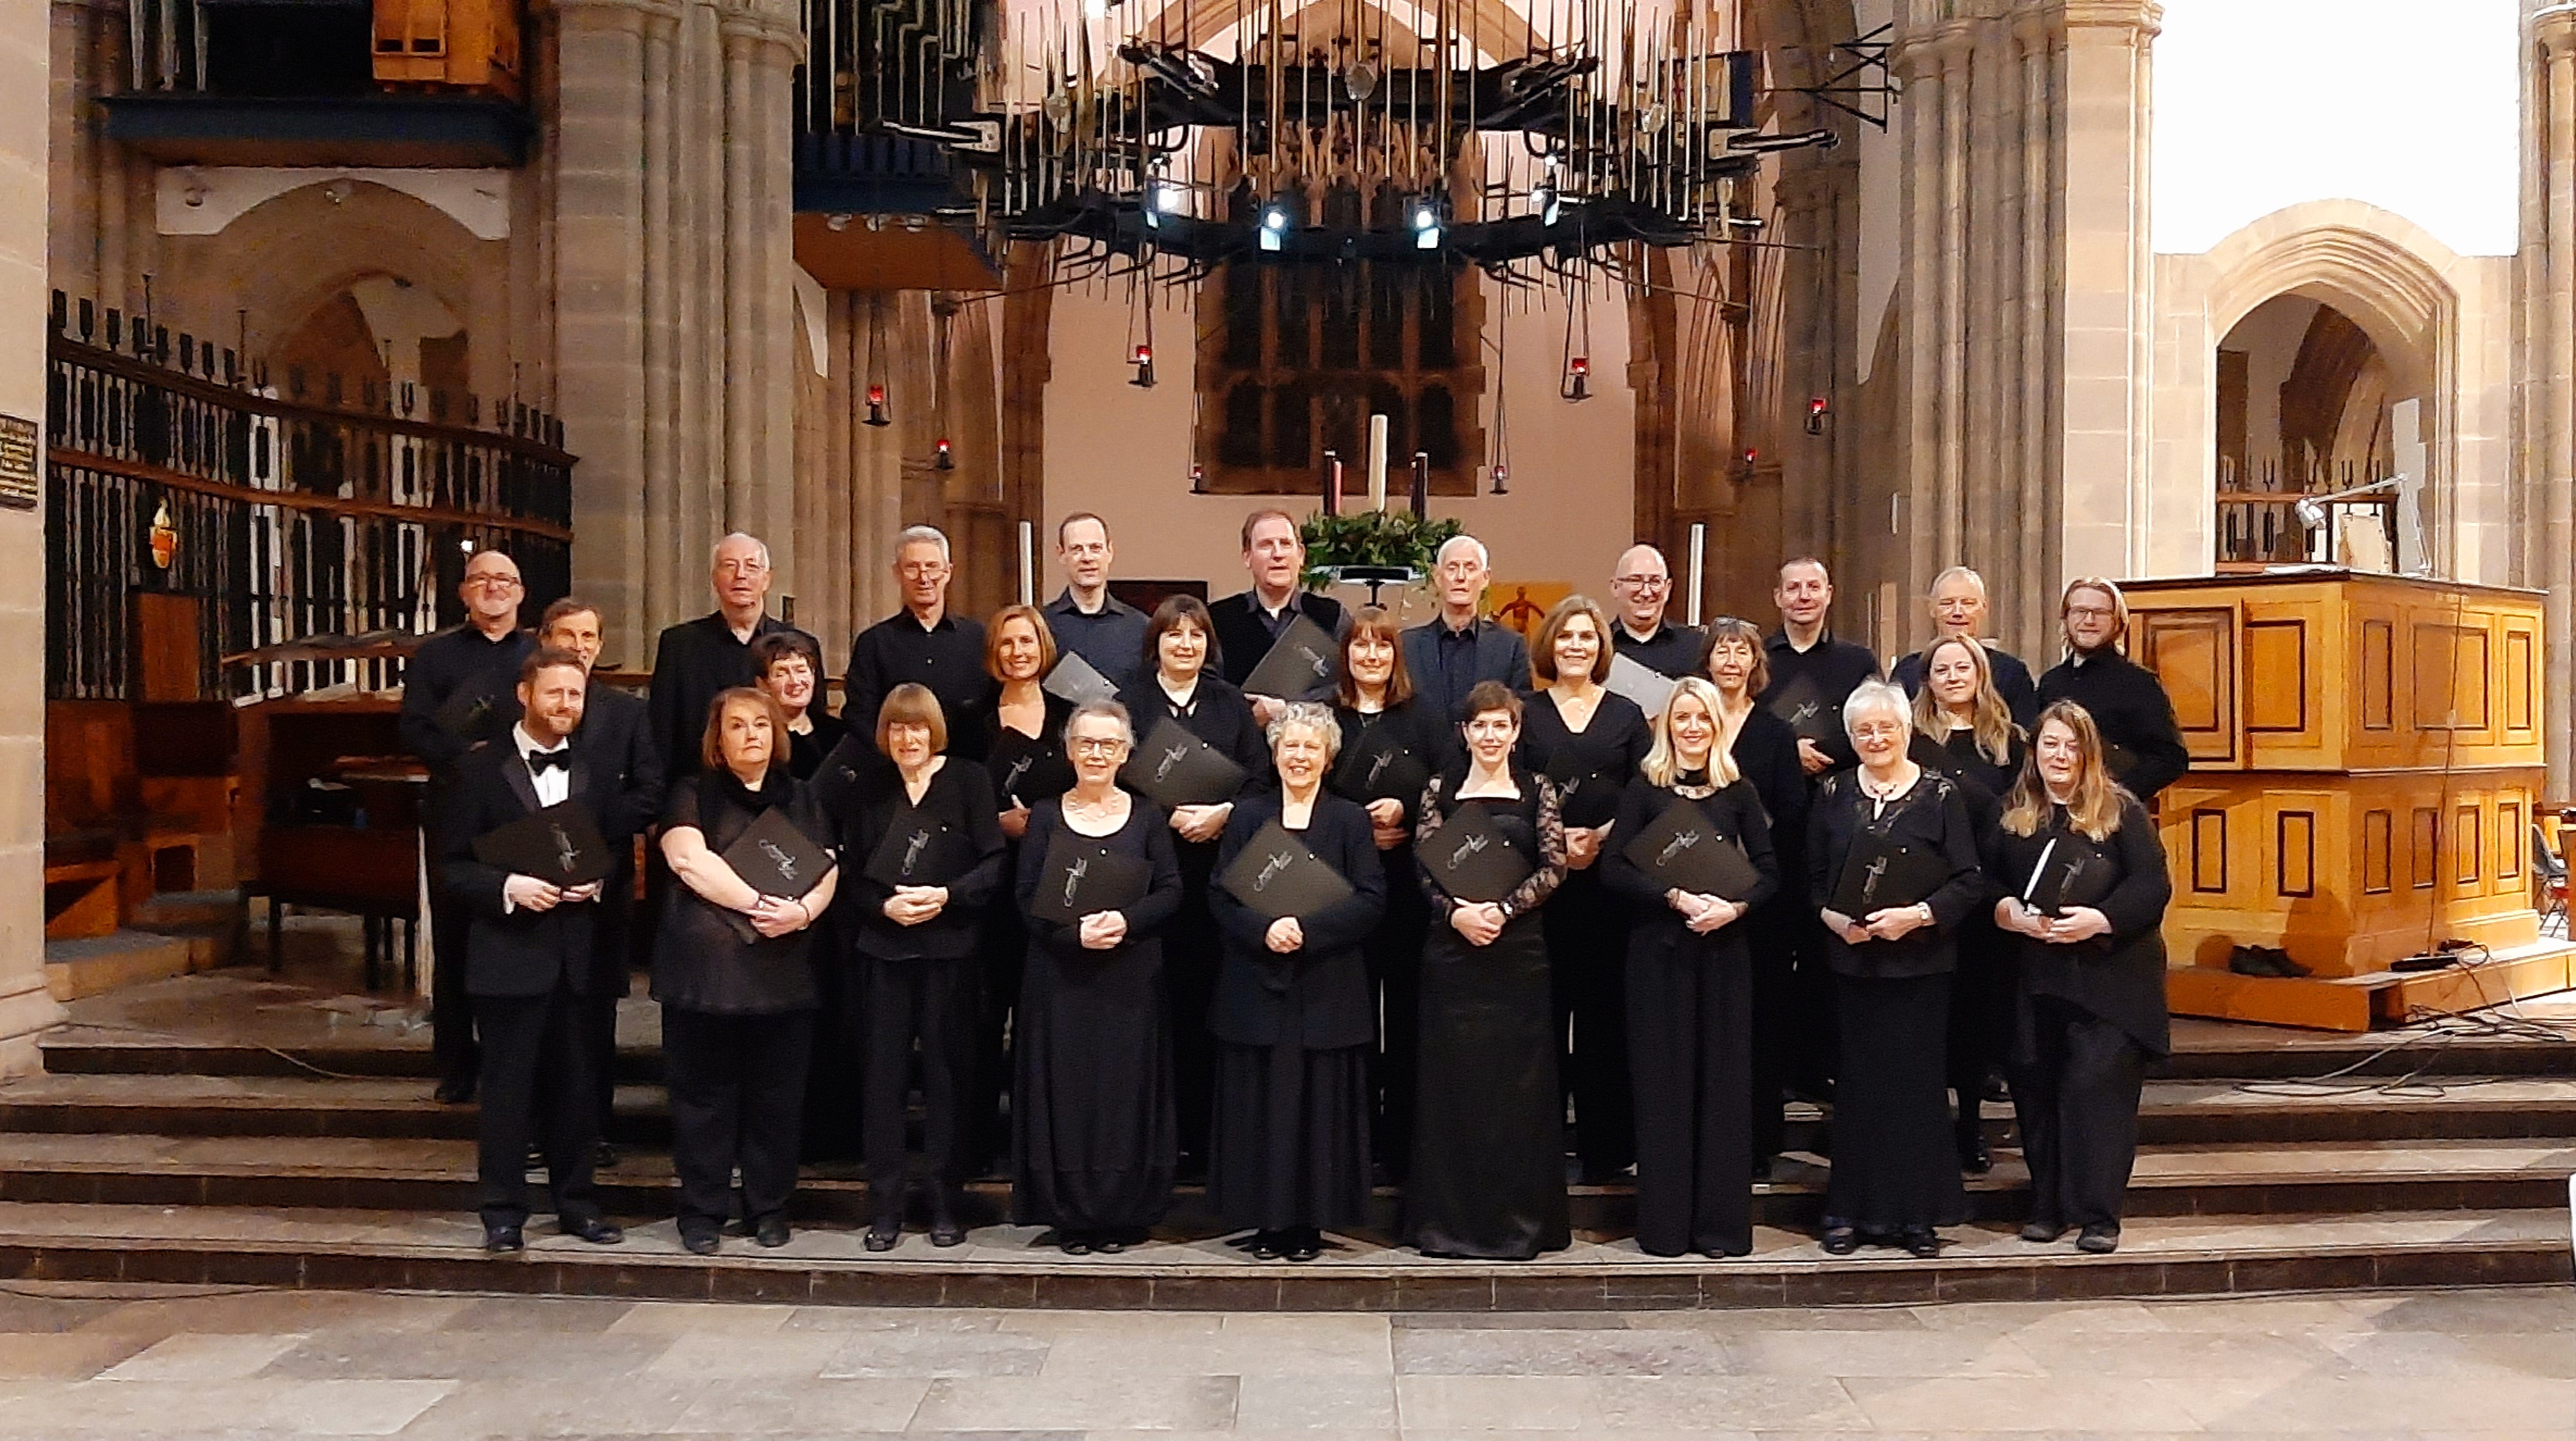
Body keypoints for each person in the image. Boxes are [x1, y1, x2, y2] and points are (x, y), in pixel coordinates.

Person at [434, 648, 625, 1253]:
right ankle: (503, 1211)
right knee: (508, 1095)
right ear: (525, 694)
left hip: (578, 956)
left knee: (577, 1091)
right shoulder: (478, 772)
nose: (567, 705)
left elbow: (608, 849)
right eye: (556, 694)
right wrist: (509, 888)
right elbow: (449, 867)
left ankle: (577, 1204)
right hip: (508, 953)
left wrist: (598, 880)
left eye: (576, 695)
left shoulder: (595, 767)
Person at [1600, 676, 1779, 1257]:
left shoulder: (1740, 793)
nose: (1693, 728)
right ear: (1666, 726)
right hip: (1659, 956)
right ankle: (1665, 1229)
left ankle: (1720, 1229)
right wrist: (1674, 898)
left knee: (1724, 1088)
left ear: (1717, 725)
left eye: (1702, 717)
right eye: (1682, 718)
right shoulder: (1643, 791)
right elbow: (1614, 870)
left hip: (1725, 955)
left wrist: (1736, 906)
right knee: (1664, 1088)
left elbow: (1772, 872)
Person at [654, 687, 839, 1254]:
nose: (752, 734)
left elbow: (830, 864)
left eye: (761, 723)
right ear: (719, 738)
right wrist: (760, 905)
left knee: (776, 1099)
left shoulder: (803, 796)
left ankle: (768, 1207)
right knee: (703, 1098)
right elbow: (687, 859)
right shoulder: (692, 792)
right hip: (705, 974)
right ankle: (703, 1212)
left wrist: (804, 910)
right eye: (737, 725)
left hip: (782, 970)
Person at [1806, 680, 1985, 1257]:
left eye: (1887, 728)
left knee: (1915, 1091)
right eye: (1864, 730)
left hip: (1920, 965)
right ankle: (1847, 1211)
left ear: (1907, 731)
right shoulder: (1832, 793)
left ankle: (1916, 1217)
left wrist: (1919, 916)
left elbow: (1969, 880)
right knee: (1858, 1090)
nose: (1876, 738)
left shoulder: (1940, 795)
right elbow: (1811, 878)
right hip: (1852, 964)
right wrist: (1831, 918)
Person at [1207, 703, 1387, 1261]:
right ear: (1275, 753)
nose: (1300, 757)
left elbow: (1372, 898)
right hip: (1256, 983)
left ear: (1328, 757)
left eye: (1311, 747)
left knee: (1319, 1108)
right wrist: (1265, 929)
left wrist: (1307, 930)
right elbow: (1219, 893)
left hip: (1327, 986)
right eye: (1291, 747)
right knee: (1260, 1107)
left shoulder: (1349, 820)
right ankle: (1265, 1222)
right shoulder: (1247, 816)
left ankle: (1309, 1224)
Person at [1992, 701, 2173, 1255]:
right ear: (2034, 751)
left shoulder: (2121, 811)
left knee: (2096, 1095)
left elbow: (2152, 886)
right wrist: (2005, 911)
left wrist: (2102, 919)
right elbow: (1985, 881)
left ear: (2089, 753)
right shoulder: (2015, 812)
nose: (2060, 755)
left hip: (2108, 981)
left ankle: (2098, 1215)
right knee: (2036, 1092)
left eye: (2072, 745)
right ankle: (2046, 1205)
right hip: (2036, 978)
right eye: (2050, 744)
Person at [1013, 700, 1185, 1254]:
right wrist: (1072, 936)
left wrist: (1126, 922)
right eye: (1087, 743)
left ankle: (1122, 1213)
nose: (1097, 753)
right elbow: (1025, 898)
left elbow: (1172, 891)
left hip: (1130, 980)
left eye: (1109, 744)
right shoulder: (1043, 815)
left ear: (1126, 752)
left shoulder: (1148, 816)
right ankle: (1071, 1216)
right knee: (1066, 1095)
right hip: (1060, 978)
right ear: (1068, 750)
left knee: (1123, 1096)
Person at [1407, 681, 1571, 1260]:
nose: (1491, 735)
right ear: (1465, 733)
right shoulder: (1440, 791)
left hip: (1518, 955)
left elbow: (1556, 867)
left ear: (1516, 731)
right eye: (1481, 725)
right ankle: (1449, 1226)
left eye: (1502, 725)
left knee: (1517, 1092)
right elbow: (1424, 869)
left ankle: (1518, 1226)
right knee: (1454, 1088)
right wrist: (1458, 915)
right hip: (1453, 954)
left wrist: (1501, 911)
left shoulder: (1537, 790)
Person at [843, 683, 1007, 1250]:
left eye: (916, 728)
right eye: (896, 728)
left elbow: (993, 861)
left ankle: (944, 1203)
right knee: (882, 1083)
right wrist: (884, 905)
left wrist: (947, 896)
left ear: (933, 730)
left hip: (950, 952)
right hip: (884, 954)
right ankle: (885, 1208)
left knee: (947, 1080)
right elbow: (852, 874)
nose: (906, 738)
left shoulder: (967, 780)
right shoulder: (869, 788)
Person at [1114, 596, 1271, 1176]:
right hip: (1145, 871)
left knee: (1210, 999)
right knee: (1152, 1006)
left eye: (1196, 635)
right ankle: (1154, 1142)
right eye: (1174, 634)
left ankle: (1208, 1141)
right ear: (1155, 641)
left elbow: (1260, 779)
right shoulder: (1129, 700)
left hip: (1216, 872)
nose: (1185, 644)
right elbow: (1110, 774)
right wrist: (1165, 816)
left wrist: (1223, 813)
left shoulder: (1230, 704)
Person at [1516, 594, 1654, 1182]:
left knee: (1606, 1017)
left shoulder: (1626, 715)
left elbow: (1648, 794)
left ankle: (1607, 1147)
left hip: (1608, 887)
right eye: (1567, 636)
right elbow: (1509, 789)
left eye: (1588, 637)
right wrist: (1554, 843)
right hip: (1542, 889)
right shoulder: (1525, 711)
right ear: (1551, 645)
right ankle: (1539, 1143)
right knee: (1542, 1016)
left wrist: (1602, 834)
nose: (1577, 646)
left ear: (1602, 648)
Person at [400, 545, 536, 1105]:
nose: (494, 588)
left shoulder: (539, 654)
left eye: (506, 579)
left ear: (522, 593)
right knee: (456, 939)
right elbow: (414, 730)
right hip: (458, 807)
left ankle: (522, 1062)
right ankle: (457, 1065)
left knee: (521, 933)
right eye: (482, 579)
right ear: (463, 593)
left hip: (526, 808)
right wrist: (467, 759)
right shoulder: (435, 658)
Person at [536, 598, 665, 1168]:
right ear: (545, 639)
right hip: (532, 881)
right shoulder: (526, 703)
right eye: (568, 634)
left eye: (590, 635)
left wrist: (589, 835)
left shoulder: (626, 712)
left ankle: (593, 1131)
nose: (580, 645)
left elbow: (649, 790)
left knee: (594, 1014)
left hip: (602, 885)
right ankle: (540, 1133)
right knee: (538, 1015)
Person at [1327, 606, 1450, 1176]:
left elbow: (1449, 788)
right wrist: (1355, 826)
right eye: (1360, 646)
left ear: (1396, 656)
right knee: (1348, 1014)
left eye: (1381, 646)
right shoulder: (1326, 714)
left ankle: (1401, 1146)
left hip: (1406, 884)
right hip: (1341, 885)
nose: (1370, 656)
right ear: (1345, 654)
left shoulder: (1423, 717)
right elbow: (1302, 787)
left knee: (1405, 1015)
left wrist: (1409, 806)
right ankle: (1350, 1142)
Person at [1908, 635, 2025, 1174]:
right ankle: (1929, 1129)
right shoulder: (1910, 740)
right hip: (1927, 896)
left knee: (1978, 1019)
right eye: (1941, 669)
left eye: (1963, 667)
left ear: (1980, 673)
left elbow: (2024, 816)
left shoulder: (2010, 743)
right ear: (1926, 679)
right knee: (1933, 1020)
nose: (1953, 677)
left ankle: (1972, 1125)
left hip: (1987, 896)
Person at [969, 603, 1078, 1172]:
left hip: (1056, 881)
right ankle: (982, 1142)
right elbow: (953, 803)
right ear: (995, 652)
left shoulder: (1070, 716)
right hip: (989, 884)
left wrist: (1045, 824)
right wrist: (998, 824)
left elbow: (1092, 788)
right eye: (1007, 642)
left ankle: (1039, 1140)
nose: (1018, 652)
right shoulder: (971, 719)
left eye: (1028, 642)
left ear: (1044, 648)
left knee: (1046, 1015)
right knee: (987, 1017)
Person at [1700, 617, 1810, 1177]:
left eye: (1740, 651)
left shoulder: (1774, 734)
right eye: (1720, 651)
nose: (1730, 661)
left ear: (1754, 664)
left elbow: (1793, 814)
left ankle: (1757, 1140)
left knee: (1759, 1019)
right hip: (1694, 897)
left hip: (1756, 899)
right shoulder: (1688, 726)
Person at [647, 533, 814, 785]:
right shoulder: (679, 643)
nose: (741, 576)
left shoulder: (800, 644)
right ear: (715, 578)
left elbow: (812, 723)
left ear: (767, 579)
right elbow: (661, 731)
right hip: (699, 786)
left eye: (751, 566)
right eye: (729, 566)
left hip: (779, 787)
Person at [845, 524, 997, 762]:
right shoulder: (874, 643)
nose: (924, 578)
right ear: (897, 573)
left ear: (948, 572)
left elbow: (991, 710)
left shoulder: (980, 637)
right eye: (912, 568)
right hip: (895, 775)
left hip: (965, 771)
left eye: (932, 567)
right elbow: (860, 716)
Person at [2037, 577, 2189, 806]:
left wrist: (2114, 796)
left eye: (2100, 613)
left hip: (2111, 815)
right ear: (2066, 618)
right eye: (2080, 611)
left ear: (2117, 622)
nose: (2089, 620)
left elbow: (2170, 758)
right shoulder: (2051, 681)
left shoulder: (2139, 683)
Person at [1209, 508, 1350, 724]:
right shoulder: (1217, 618)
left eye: (1285, 544)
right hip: (1241, 749)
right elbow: (1206, 688)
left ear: (1301, 555)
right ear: (1247, 557)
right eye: (1266, 545)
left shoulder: (1331, 616)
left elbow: (1350, 684)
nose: (1278, 554)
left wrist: (1287, 708)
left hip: (1313, 749)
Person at [1761, 557, 1882, 777]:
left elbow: (1875, 722)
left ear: (1829, 594)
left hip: (1842, 788)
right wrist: (1789, 751)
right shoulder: (1755, 659)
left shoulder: (1859, 661)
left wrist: (1819, 752)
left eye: (1813, 587)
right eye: (1793, 588)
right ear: (1778, 597)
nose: (1804, 596)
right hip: (1770, 791)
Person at [1401, 535, 1531, 723]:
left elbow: (1520, 716)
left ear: (1485, 578)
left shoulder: (1510, 647)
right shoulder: (1407, 645)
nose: (1460, 577)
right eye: (1452, 568)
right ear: (1437, 577)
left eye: (1470, 568)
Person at [1889, 566, 2040, 727]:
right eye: (1947, 603)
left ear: (1984, 608)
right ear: (1932, 609)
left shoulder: (2012, 672)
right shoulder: (1908, 670)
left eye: (1968, 603)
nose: (1957, 612)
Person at [1042, 512, 1150, 690]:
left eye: (1095, 548)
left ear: (1110, 552)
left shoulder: (1141, 628)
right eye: (1077, 549)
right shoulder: (1041, 626)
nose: (1087, 558)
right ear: (1061, 554)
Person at [751, 630, 845, 780]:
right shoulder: (756, 738)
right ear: (762, 684)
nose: (795, 681)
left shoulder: (840, 736)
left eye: (801, 670)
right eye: (781, 674)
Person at [1608, 544, 1704, 678]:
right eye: (1636, 581)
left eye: (1655, 581)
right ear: (1615, 587)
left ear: (1667, 588)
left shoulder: (1697, 646)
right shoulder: (1598, 646)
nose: (1646, 592)